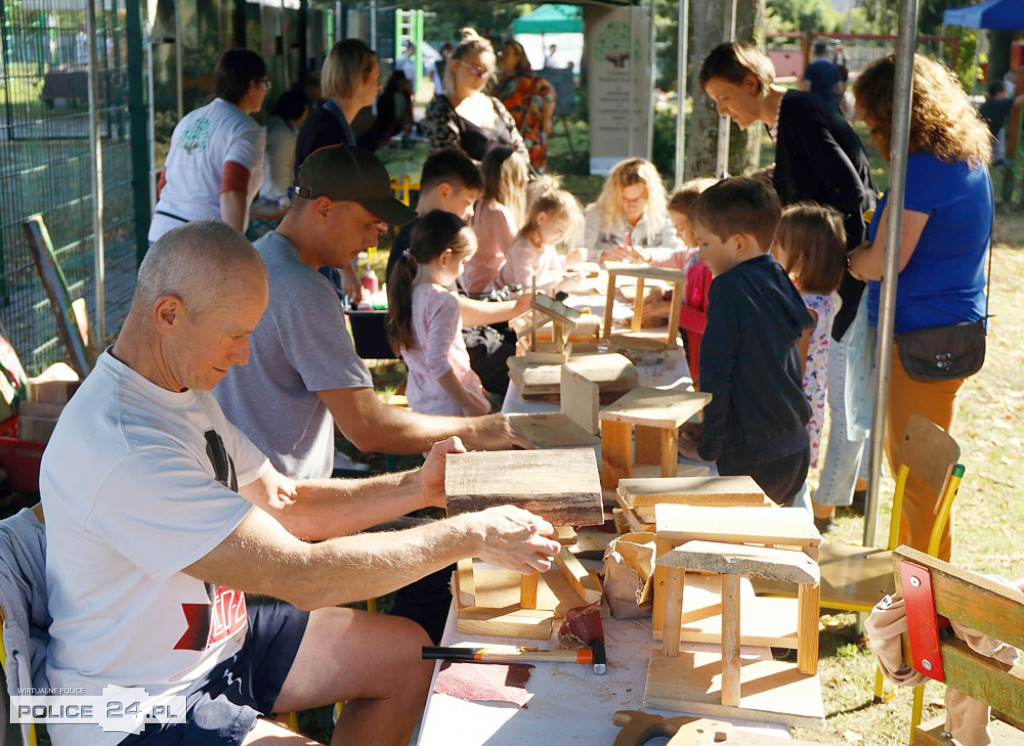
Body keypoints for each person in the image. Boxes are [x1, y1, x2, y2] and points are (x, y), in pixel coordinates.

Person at [41, 219, 560, 746]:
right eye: (235, 335)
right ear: (169, 314)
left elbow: (287, 502)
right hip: (134, 707)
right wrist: (469, 534)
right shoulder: (127, 447)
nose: (244, 355)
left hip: (212, 648)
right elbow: (304, 579)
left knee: (407, 655)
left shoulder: (176, 391)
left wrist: (420, 488)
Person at [699, 41, 877, 519]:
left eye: (724, 98)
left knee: (838, 389)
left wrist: (822, 257)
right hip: (824, 273)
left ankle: (832, 501)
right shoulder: (790, 119)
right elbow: (815, 173)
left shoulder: (796, 112)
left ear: (752, 84)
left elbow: (846, 188)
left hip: (834, 275)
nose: (723, 111)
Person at [848, 54, 994, 561]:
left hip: (922, 336)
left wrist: (852, 259)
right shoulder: (961, 160)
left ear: (895, 115)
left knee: (918, 477)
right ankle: (921, 589)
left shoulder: (924, 171)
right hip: (942, 330)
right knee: (918, 473)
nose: (869, 128)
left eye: (873, 118)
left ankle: (928, 598)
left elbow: (884, 261)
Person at [677, 178, 813, 508]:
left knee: (738, 552)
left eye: (706, 244)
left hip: (753, 457)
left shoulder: (727, 288)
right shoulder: (776, 274)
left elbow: (716, 375)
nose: (700, 254)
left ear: (738, 244)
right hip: (793, 445)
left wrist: (710, 445)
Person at [772, 203, 847, 525]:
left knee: (792, 487)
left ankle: (801, 544)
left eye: (778, 244)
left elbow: (794, 366)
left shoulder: (806, 308)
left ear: (799, 258)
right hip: (802, 409)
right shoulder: (823, 297)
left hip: (791, 412)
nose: (771, 249)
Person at [149, 49, 269, 243]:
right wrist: (234, 248)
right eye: (265, 85)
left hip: (160, 235)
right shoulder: (245, 129)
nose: (265, 92)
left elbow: (163, 184)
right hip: (203, 242)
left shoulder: (188, 120)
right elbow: (232, 191)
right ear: (252, 85)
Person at [294, 39, 381, 300]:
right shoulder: (329, 129)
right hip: (321, 252)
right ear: (358, 79)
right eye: (375, 77)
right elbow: (325, 204)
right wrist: (344, 270)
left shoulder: (330, 122)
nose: (379, 85)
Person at [388, 211, 491, 417]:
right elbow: (438, 362)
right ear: (445, 257)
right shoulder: (444, 301)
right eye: (463, 262)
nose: (462, 270)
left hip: (422, 399)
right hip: (451, 405)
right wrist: (467, 403)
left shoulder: (406, 292)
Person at [642, 178, 717, 383]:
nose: (678, 234)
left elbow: (711, 323)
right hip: (692, 353)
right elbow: (690, 296)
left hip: (706, 364)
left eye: (681, 228)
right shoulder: (696, 257)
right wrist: (667, 296)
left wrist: (669, 308)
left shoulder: (711, 267)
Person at [422, 28, 531, 165]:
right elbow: (451, 162)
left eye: (486, 72)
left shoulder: (495, 105)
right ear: (455, 65)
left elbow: (520, 149)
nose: (480, 77)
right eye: (475, 69)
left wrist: (519, 174)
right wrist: (500, 173)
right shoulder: (440, 108)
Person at [385, 147, 484, 287]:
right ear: (444, 192)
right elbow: (443, 302)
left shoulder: (420, 234)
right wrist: (512, 308)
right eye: (468, 202)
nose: (471, 212)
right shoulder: (422, 239)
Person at [584, 157, 684, 264]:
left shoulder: (664, 216)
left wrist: (649, 255)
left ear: (650, 197)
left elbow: (678, 253)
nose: (631, 205)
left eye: (638, 200)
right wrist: (604, 255)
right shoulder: (597, 214)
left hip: (650, 278)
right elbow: (577, 253)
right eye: (624, 199)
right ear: (614, 196)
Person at [497, 185, 584, 294]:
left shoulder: (547, 243)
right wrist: (559, 287)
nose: (562, 237)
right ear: (541, 218)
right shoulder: (523, 250)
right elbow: (526, 290)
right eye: (560, 230)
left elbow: (555, 270)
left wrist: (560, 280)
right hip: (503, 301)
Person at [465, 146, 529, 294]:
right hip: (488, 289)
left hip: (471, 283)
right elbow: (517, 255)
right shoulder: (497, 212)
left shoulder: (479, 205)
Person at [496, 39, 556, 172]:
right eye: (501, 53)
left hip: (528, 136)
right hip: (506, 136)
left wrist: (546, 120)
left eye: (507, 54)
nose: (503, 58)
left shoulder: (528, 79)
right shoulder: (502, 81)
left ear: (518, 57)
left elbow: (549, 92)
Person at [257, 88, 310, 206]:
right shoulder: (282, 134)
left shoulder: (281, 128)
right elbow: (279, 170)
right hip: (277, 197)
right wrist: (284, 199)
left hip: (276, 192)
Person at [363, 69, 415, 150]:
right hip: (389, 130)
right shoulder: (386, 98)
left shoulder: (405, 95)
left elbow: (408, 112)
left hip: (401, 128)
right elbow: (384, 118)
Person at [979, 80, 1024, 167]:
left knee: (1001, 132)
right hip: (987, 135)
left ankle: (997, 158)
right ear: (998, 94)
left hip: (983, 132)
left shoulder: (989, 103)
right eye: (1004, 92)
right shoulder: (999, 103)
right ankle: (998, 159)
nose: (1005, 95)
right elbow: (1016, 101)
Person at [800, 40, 842, 111]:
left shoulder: (811, 67)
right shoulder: (834, 68)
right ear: (826, 51)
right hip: (831, 106)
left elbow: (806, 89)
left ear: (815, 52)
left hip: (815, 106)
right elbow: (839, 89)